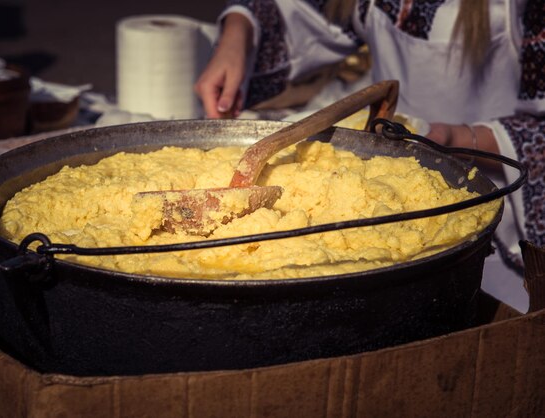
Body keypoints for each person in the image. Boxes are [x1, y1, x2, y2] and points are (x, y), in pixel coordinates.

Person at [194, 0, 544, 309]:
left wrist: (457, 136)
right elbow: (307, 10)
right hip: (383, 160)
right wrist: (237, 36)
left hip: (489, 217)